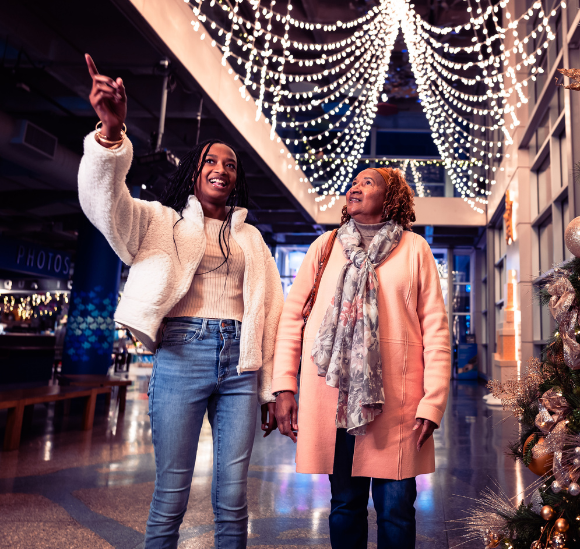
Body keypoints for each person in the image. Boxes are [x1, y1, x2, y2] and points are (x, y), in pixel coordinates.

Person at [78, 54, 284, 549]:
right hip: (181, 355)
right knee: (170, 493)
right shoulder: (157, 222)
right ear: (193, 171)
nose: (221, 169)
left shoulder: (252, 239)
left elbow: (271, 315)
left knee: (234, 499)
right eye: (211, 161)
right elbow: (104, 205)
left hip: (242, 364)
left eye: (230, 165)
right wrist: (111, 134)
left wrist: (275, 388)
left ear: (237, 178)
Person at [270, 167, 451, 549]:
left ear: (390, 199)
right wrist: (284, 385)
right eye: (354, 181)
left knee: (397, 510)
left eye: (368, 182)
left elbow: (435, 329)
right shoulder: (326, 246)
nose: (355, 185)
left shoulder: (415, 248)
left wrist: (432, 403)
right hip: (334, 399)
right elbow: (291, 319)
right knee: (345, 506)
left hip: (399, 404)